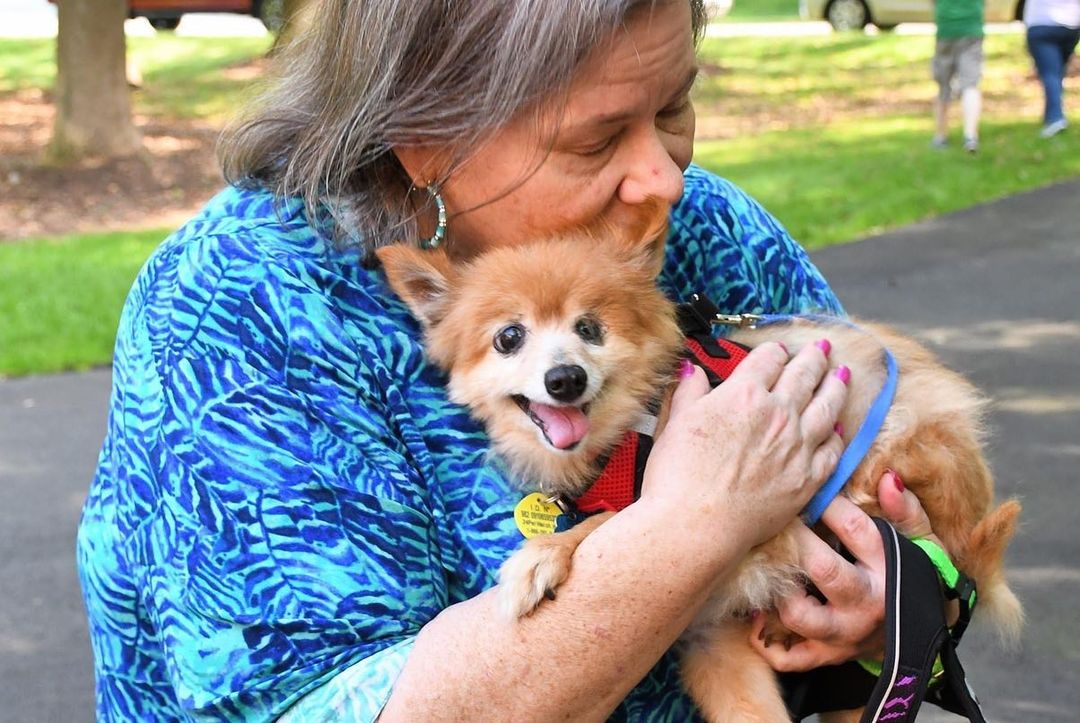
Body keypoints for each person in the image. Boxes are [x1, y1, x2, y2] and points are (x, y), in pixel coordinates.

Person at [76, 1, 952, 719]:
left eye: (675, 106)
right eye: (596, 140)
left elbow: (930, 511)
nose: (664, 178)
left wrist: (906, 598)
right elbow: (314, 705)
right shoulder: (241, 306)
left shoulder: (708, 230)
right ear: (423, 138)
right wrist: (694, 524)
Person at [931, 0, 985, 153]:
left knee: (943, 84)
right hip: (972, 27)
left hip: (946, 27)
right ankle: (970, 135)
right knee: (971, 84)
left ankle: (941, 135)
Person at [1024, 0, 1080, 138]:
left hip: (1041, 24)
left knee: (1050, 74)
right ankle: (1050, 114)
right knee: (1057, 72)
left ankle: (1056, 118)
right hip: (1071, 25)